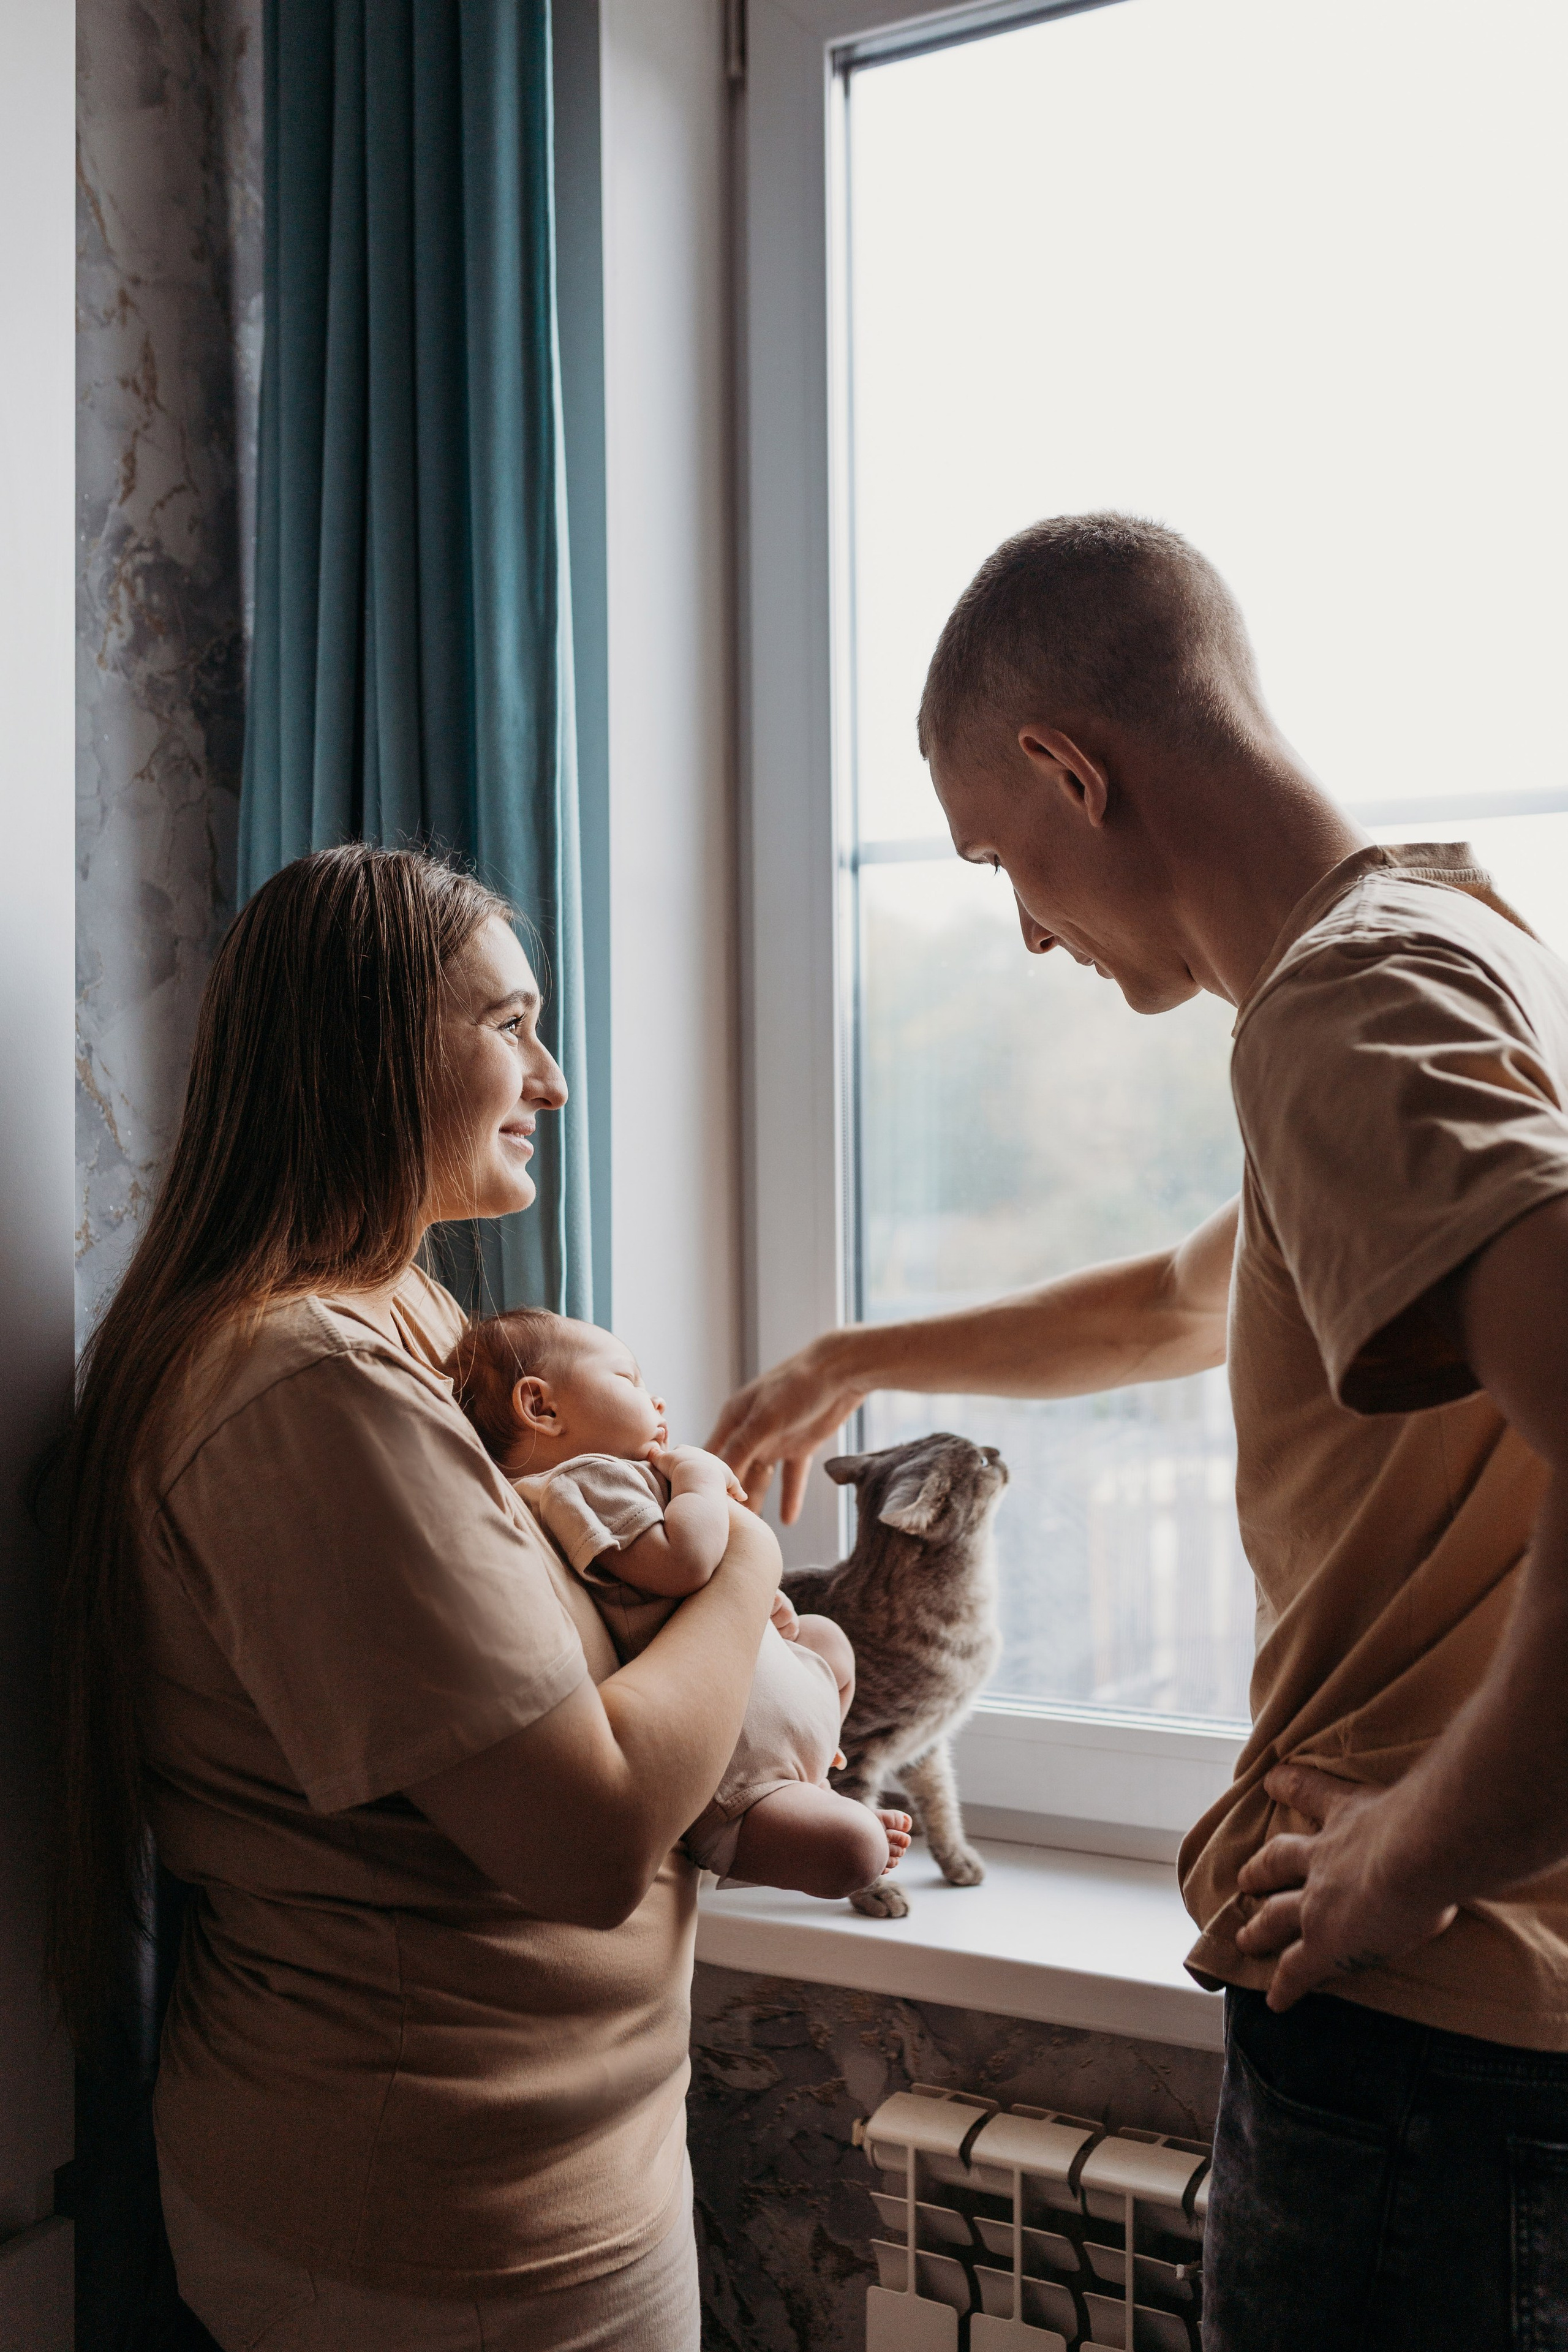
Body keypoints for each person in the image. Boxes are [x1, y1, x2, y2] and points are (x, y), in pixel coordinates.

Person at [709, 514, 1568, 2349]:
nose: (1025, 927)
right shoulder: (1447, 939)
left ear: (1067, 769)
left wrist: (1408, 1854)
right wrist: (858, 1350)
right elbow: (1187, 1294)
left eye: (998, 858)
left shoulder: (1344, 1003)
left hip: (1430, 2036)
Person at [52, 843, 783, 2352]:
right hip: (428, 2228)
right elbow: (584, 1840)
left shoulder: (412, 1314)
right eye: (509, 1025)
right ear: (368, 1048)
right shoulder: (302, 1382)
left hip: (547, 2174)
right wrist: (748, 1560)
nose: (552, 1083)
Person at [447, 1306, 911, 1896]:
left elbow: (690, 1581)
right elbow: (684, 1562)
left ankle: (814, 1778)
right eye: (628, 1379)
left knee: (826, 1638)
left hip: (756, 1702)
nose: (657, 1400)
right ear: (542, 1407)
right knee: (857, 1852)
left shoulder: (616, 1477)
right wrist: (702, 1477)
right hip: (739, 1779)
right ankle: (798, 1809)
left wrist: (758, 1601)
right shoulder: (581, 1480)